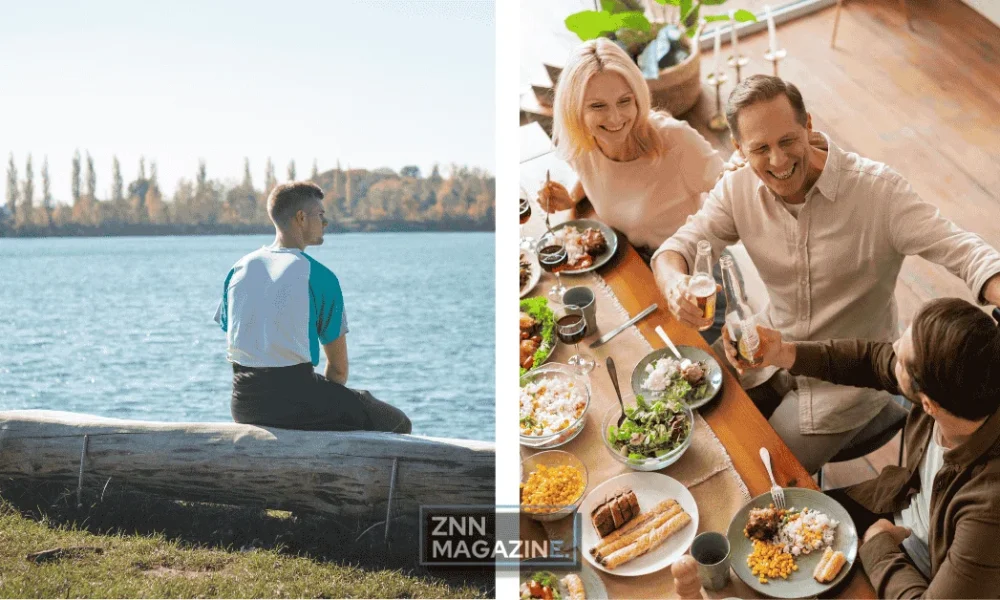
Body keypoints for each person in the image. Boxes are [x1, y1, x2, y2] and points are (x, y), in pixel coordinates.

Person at [653, 74, 1000, 473]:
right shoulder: (737, 188)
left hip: (848, 384)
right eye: (761, 149)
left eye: (787, 141)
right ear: (739, 150)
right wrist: (675, 284)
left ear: (808, 126)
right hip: (765, 350)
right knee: (685, 421)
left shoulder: (878, 192)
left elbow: (967, 252)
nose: (778, 161)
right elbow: (675, 249)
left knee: (753, 473)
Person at [720, 298, 1000, 598]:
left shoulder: (988, 508)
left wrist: (879, 544)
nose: (891, 350)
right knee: (767, 546)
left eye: (901, 359)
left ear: (928, 404)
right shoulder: (963, 382)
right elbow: (869, 360)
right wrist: (784, 353)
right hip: (893, 505)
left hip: (919, 573)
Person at [537, 38, 739, 341]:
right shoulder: (584, 145)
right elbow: (601, 177)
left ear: (638, 98)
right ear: (574, 110)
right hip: (632, 265)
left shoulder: (674, 141)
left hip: (696, 279)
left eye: (624, 101)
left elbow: (735, 192)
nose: (616, 119)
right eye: (597, 106)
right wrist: (570, 197)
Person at [214, 181, 411, 433]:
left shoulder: (238, 269)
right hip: (297, 403)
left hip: (243, 404)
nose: (325, 223)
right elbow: (338, 372)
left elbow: (241, 337)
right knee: (397, 422)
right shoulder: (319, 276)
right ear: (301, 218)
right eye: (320, 215)